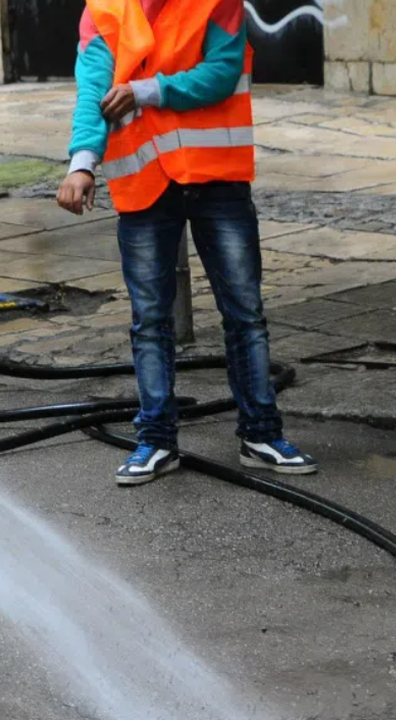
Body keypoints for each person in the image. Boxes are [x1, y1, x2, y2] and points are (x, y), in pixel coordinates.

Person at [57, 0, 317, 485]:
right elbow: (92, 91)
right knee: (151, 321)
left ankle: (261, 434)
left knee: (244, 314)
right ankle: (156, 440)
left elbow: (221, 72)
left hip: (215, 179)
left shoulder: (216, 3)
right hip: (146, 188)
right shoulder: (103, 11)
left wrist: (148, 91)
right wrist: (82, 162)